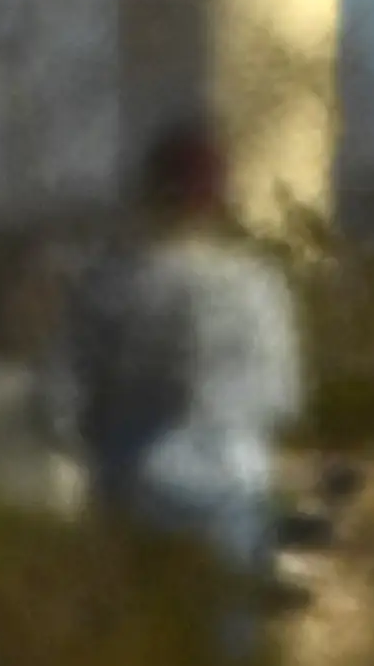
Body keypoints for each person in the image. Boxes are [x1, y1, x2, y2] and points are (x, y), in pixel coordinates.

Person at [53, 118, 306, 590]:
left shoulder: (110, 284)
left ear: (148, 193)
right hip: (233, 486)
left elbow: (60, 402)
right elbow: (282, 395)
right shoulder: (256, 287)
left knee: (138, 653)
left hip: (131, 487)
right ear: (220, 199)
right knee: (223, 652)